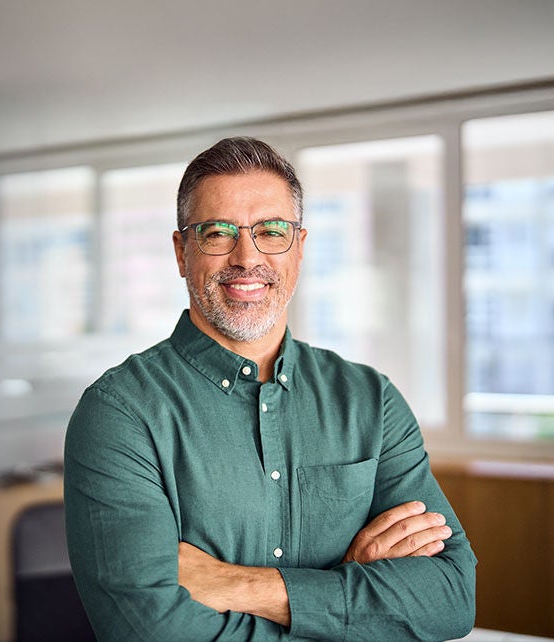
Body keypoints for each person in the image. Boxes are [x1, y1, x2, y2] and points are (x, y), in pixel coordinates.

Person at [63, 137, 476, 640]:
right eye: (217, 232)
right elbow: (150, 631)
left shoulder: (371, 400)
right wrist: (348, 598)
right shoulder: (120, 413)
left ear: (298, 249)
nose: (246, 257)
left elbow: (451, 596)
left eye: (272, 232)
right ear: (181, 251)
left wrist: (238, 585)